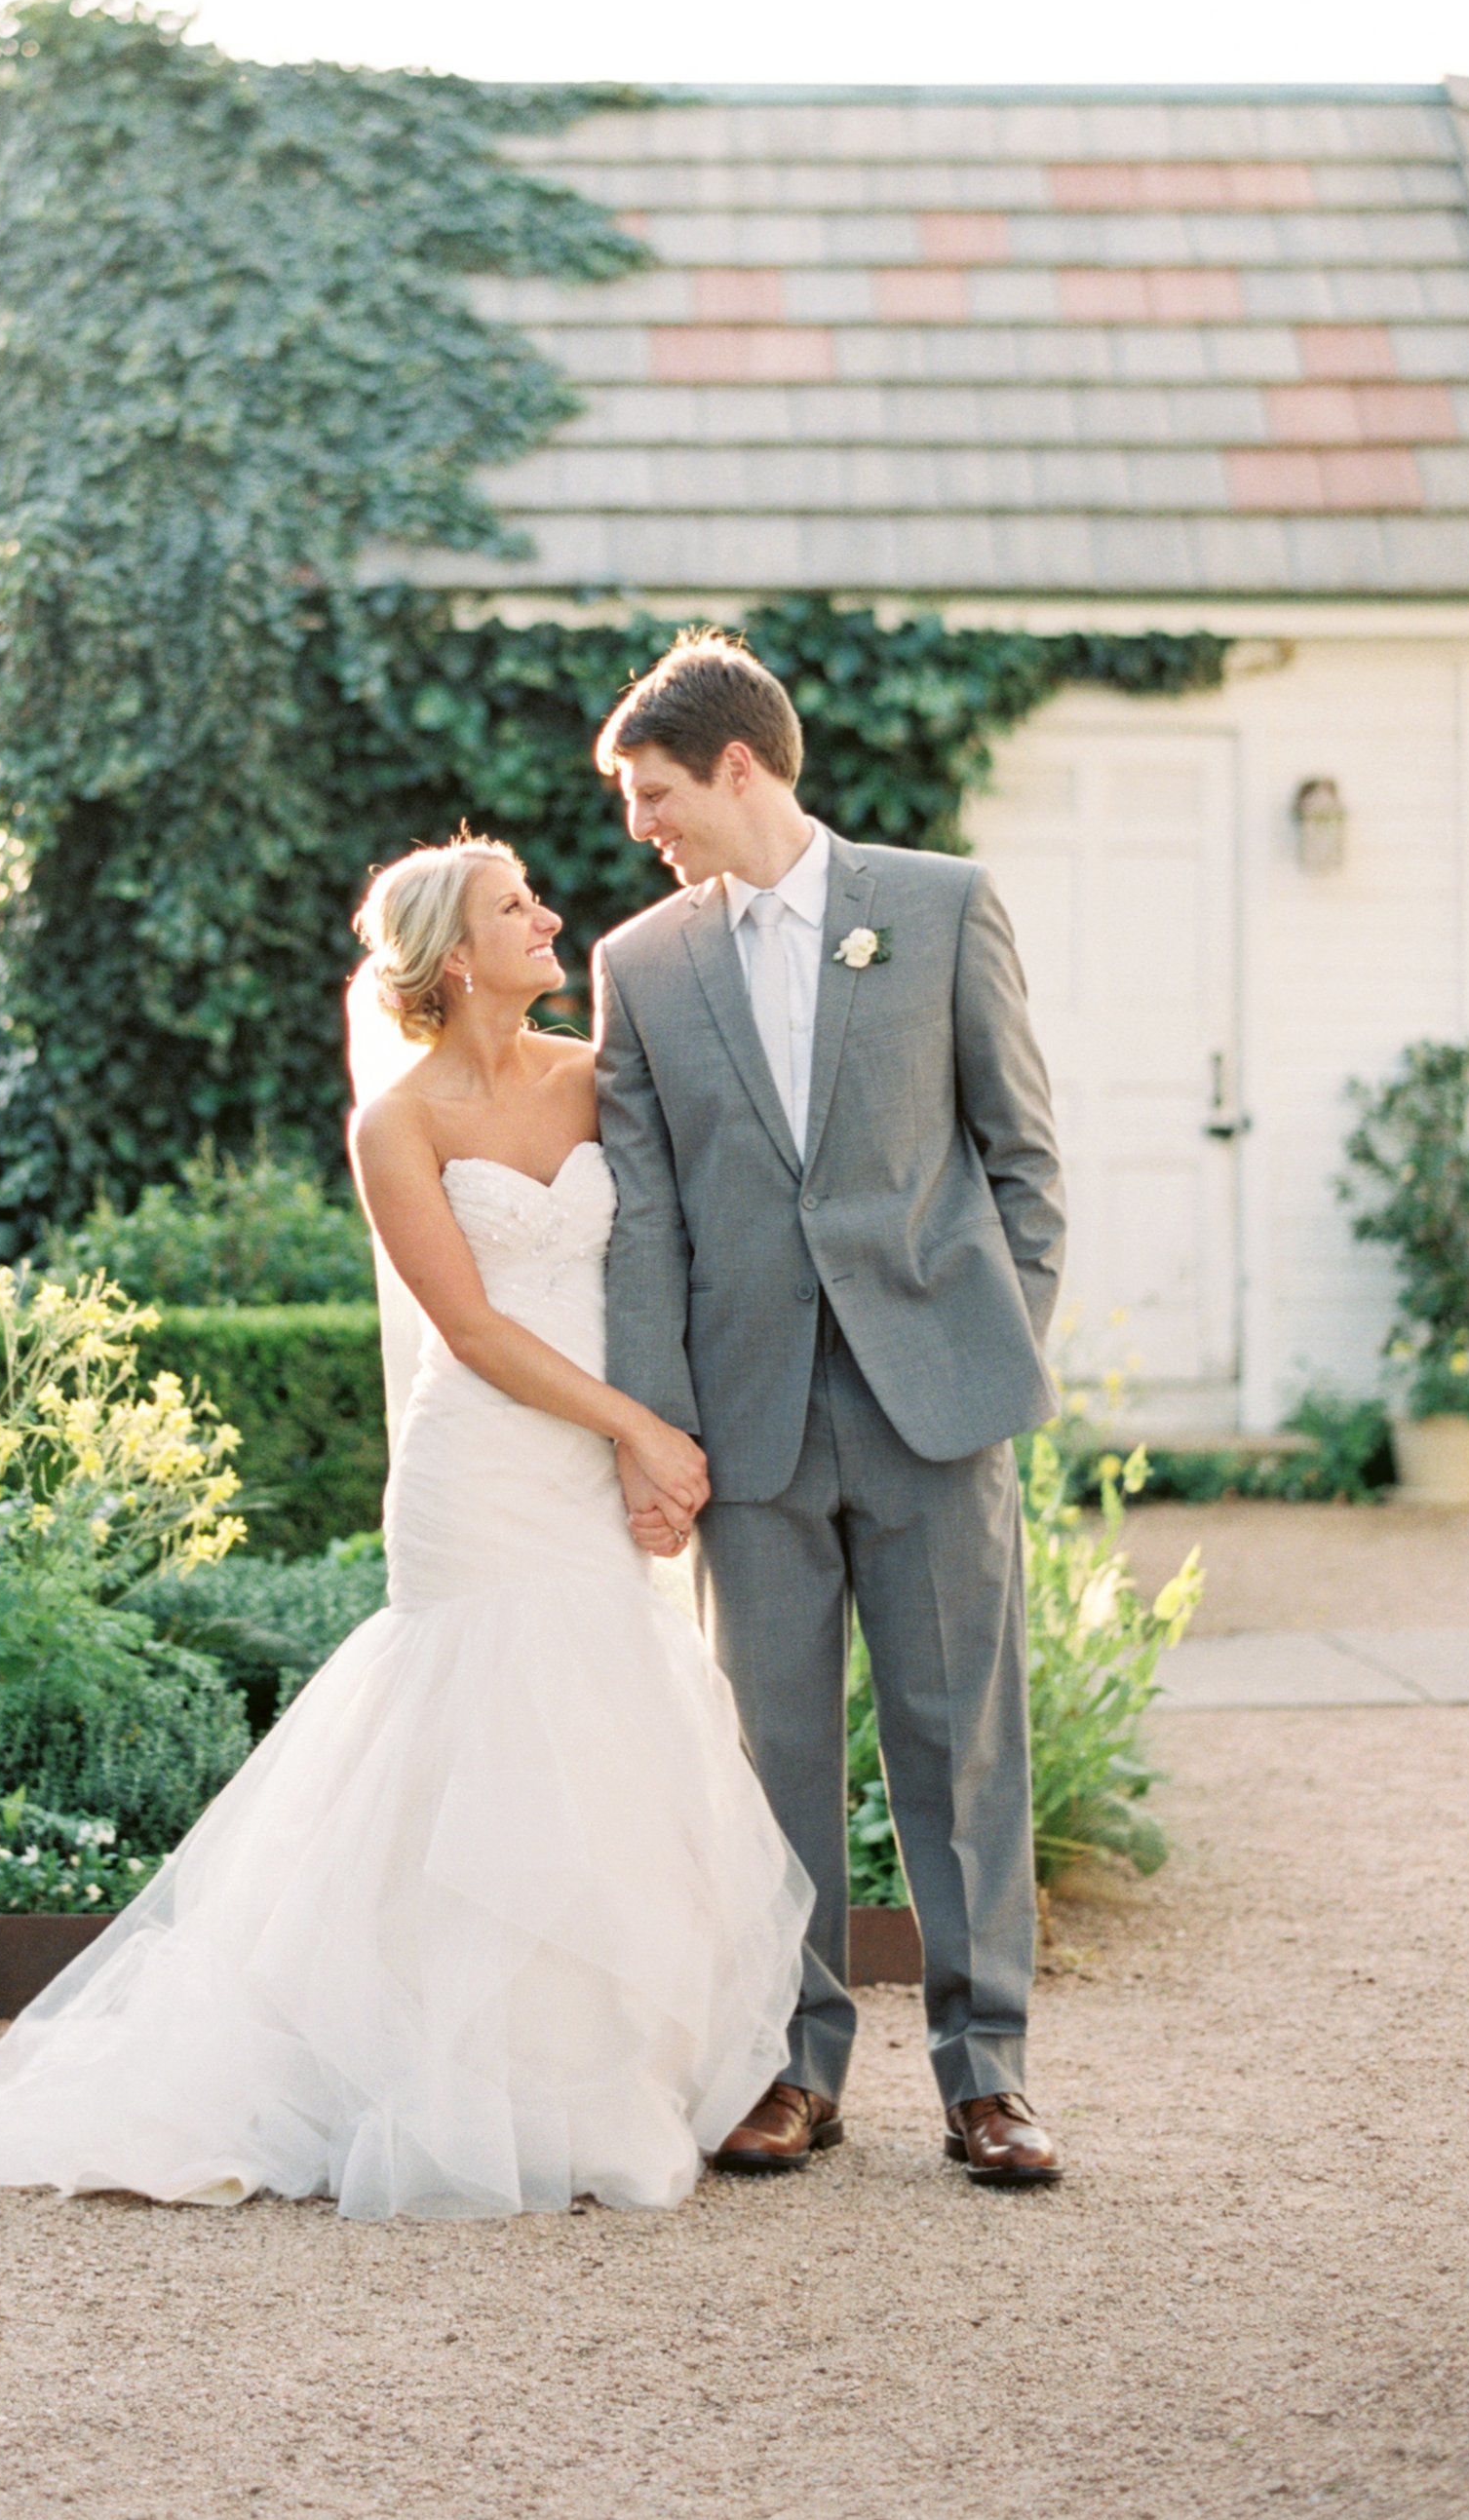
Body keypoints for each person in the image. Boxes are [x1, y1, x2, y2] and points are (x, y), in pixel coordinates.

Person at [0, 837, 810, 2223]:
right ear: (448, 958)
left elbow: (670, 1250)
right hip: (484, 1470)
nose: (549, 915)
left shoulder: (601, 1074)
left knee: (600, 1738)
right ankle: (451, 2084)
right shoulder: (400, 1124)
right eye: (515, 906)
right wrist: (634, 1426)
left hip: (606, 1452)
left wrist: (661, 1429)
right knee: (481, 1741)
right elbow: (476, 1327)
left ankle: (590, 2076)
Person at [593, 630, 1069, 2190]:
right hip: (753, 1431)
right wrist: (659, 1431)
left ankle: (984, 2076)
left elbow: (1022, 1161)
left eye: (655, 792)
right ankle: (793, 2068)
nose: (638, 825)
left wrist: (994, 1351)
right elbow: (647, 1220)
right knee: (768, 1758)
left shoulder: (937, 908)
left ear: (740, 765)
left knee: (963, 1753)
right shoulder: (641, 965)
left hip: (938, 1416)